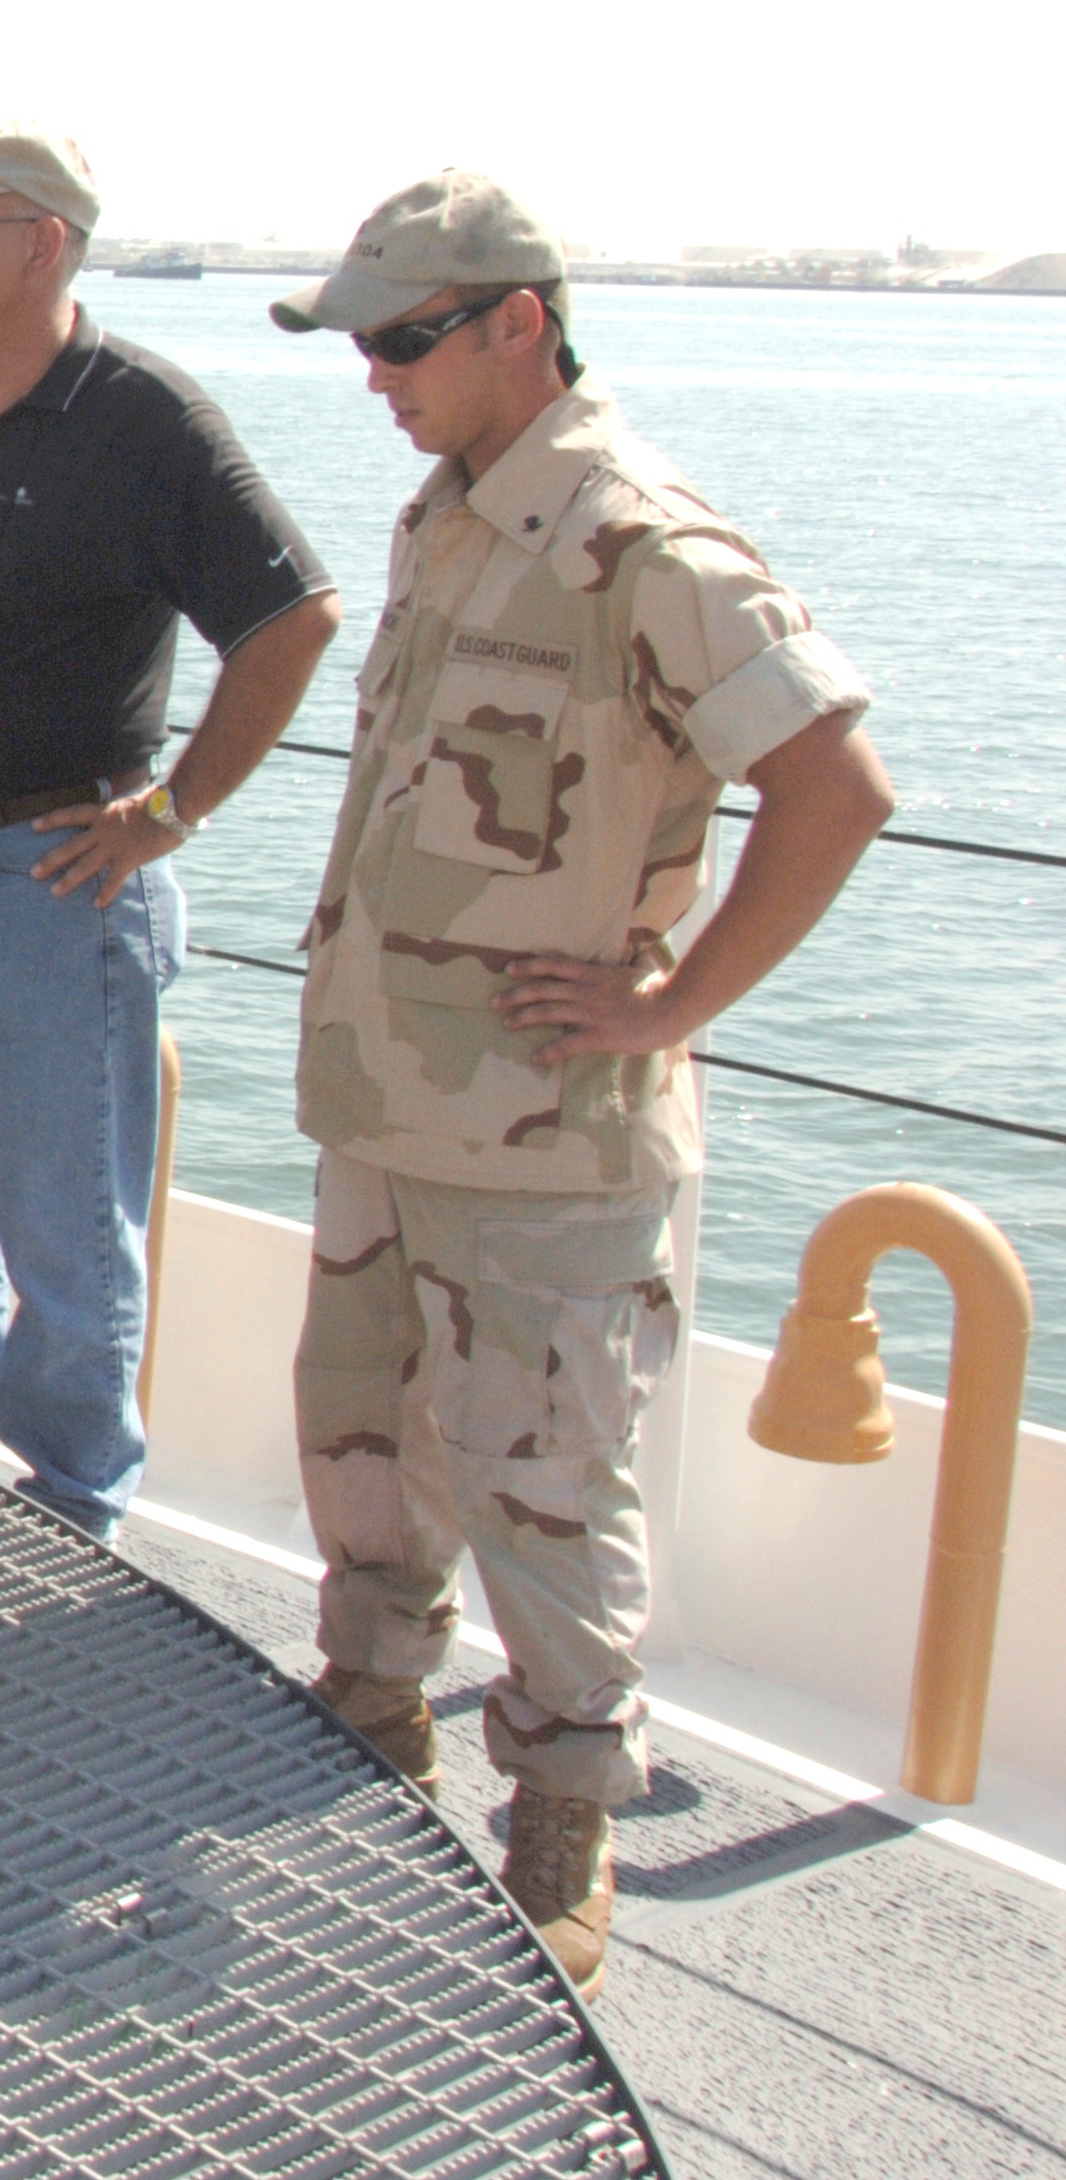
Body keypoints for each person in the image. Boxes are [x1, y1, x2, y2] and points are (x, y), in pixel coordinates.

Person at [273, 173, 887, 2002]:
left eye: (400, 336)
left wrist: (671, 999)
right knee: (361, 1434)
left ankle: (559, 1813)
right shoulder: (446, 517)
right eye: (360, 339)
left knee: (547, 1474)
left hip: (543, 1132)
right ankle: (371, 1708)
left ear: (514, 324)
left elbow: (833, 784)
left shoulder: (639, 542)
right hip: (386, 1098)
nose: (372, 372)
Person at [0, 120, 340, 1536]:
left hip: (49, 884)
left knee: (64, 1232)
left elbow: (292, 620)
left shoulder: (144, 421)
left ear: (43, 243)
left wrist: (173, 810)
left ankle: (75, 1508)